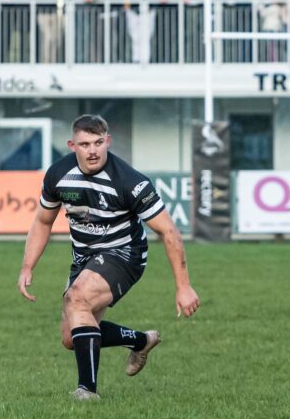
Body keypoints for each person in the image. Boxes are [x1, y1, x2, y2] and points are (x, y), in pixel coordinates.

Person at [17, 115, 200, 400]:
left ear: (108, 141)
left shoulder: (129, 181)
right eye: (85, 144)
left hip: (125, 255)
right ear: (72, 145)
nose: (93, 150)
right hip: (85, 258)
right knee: (71, 337)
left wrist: (183, 285)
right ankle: (141, 341)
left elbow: (169, 232)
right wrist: (27, 266)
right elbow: (42, 222)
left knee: (77, 298)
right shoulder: (58, 174)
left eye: (99, 142)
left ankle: (86, 391)